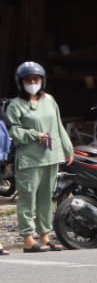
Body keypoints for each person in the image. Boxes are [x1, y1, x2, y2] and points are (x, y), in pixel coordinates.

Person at [6, 61, 74, 253]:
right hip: (29, 159)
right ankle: (28, 239)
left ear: (42, 81)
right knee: (28, 199)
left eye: (36, 79)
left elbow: (58, 125)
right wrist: (34, 135)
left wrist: (68, 148)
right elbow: (14, 132)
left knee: (46, 199)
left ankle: (44, 237)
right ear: (20, 82)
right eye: (28, 79)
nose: (32, 82)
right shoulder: (16, 105)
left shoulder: (49, 100)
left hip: (51, 156)